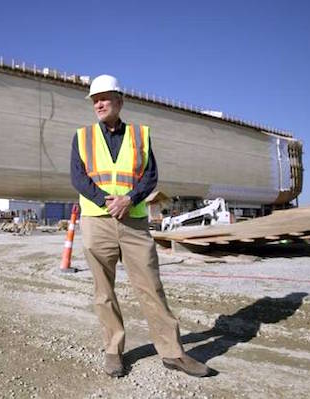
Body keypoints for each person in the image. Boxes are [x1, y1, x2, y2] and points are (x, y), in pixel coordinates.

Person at [70, 74, 210, 378]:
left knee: (151, 287)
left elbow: (150, 176)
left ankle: (173, 353)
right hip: (98, 220)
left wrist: (128, 198)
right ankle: (113, 351)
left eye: (105, 98)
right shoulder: (82, 137)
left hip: (133, 221)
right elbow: (79, 177)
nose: (99, 103)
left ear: (120, 101)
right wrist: (108, 200)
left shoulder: (140, 135)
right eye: (95, 99)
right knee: (103, 291)